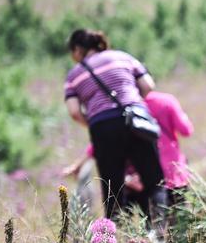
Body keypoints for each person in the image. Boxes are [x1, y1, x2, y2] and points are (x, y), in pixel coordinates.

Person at [63, 29, 168, 227]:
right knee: (155, 181)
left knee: (112, 189)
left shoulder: (74, 75)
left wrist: (94, 121)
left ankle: (116, 240)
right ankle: (162, 231)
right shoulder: (123, 57)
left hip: (102, 126)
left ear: (77, 50)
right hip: (135, 120)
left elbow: (74, 111)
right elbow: (148, 86)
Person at [64, 91, 194, 212]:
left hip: (140, 176)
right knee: (180, 221)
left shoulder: (123, 107)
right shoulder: (166, 101)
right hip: (173, 172)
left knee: (152, 222)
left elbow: (99, 145)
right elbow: (186, 130)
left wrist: (77, 166)